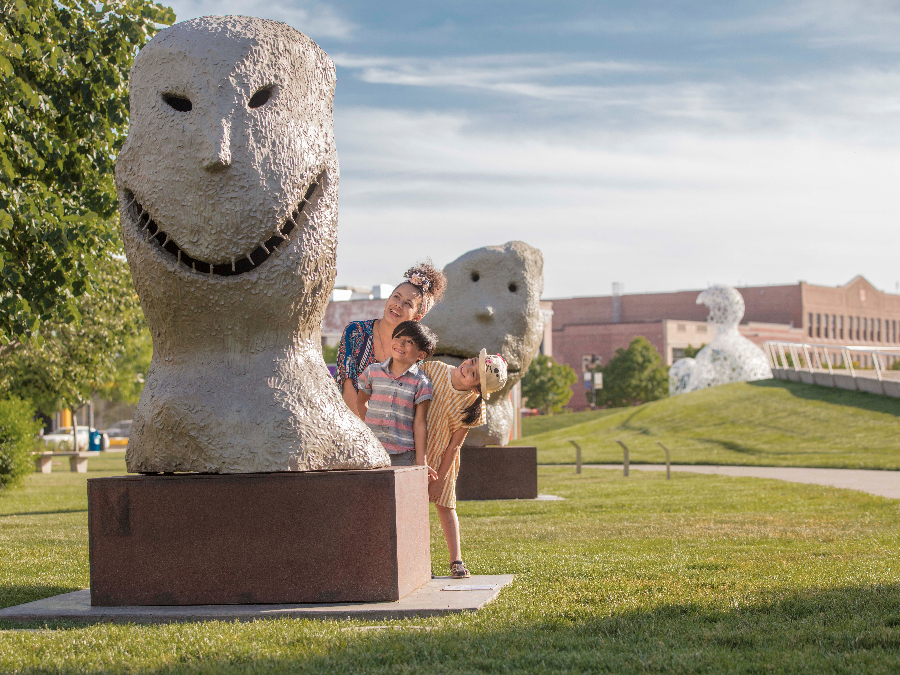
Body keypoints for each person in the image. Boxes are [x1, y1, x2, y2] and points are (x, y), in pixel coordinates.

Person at [422, 348, 508, 579]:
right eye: (471, 362)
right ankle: (420, 560)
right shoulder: (435, 369)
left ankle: (456, 560)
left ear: (476, 388)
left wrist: (440, 478)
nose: (467, 368)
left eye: (474, 374)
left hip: (444, 458)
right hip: (415, 449)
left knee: (447, 506)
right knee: (413, 507)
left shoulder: (473, 405)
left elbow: (455, 445)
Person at [334, 262, 446, 417]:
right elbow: (347, 386)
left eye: (408, 303)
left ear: (417, 318)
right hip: (344, 424)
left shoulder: (411, 353)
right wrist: (367, 435)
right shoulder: (355, 332)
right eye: (396, 297)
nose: (398, 305)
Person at [357, 321, 439, 469]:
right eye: (398, 337)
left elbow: (420, 423)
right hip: (370, 449)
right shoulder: (372, 371)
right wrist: (367, 429)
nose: (400, 343)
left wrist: (422, 462)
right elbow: (361, 401)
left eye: (409, 341)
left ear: (421, 354)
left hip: (402, 455)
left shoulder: (421, 382)